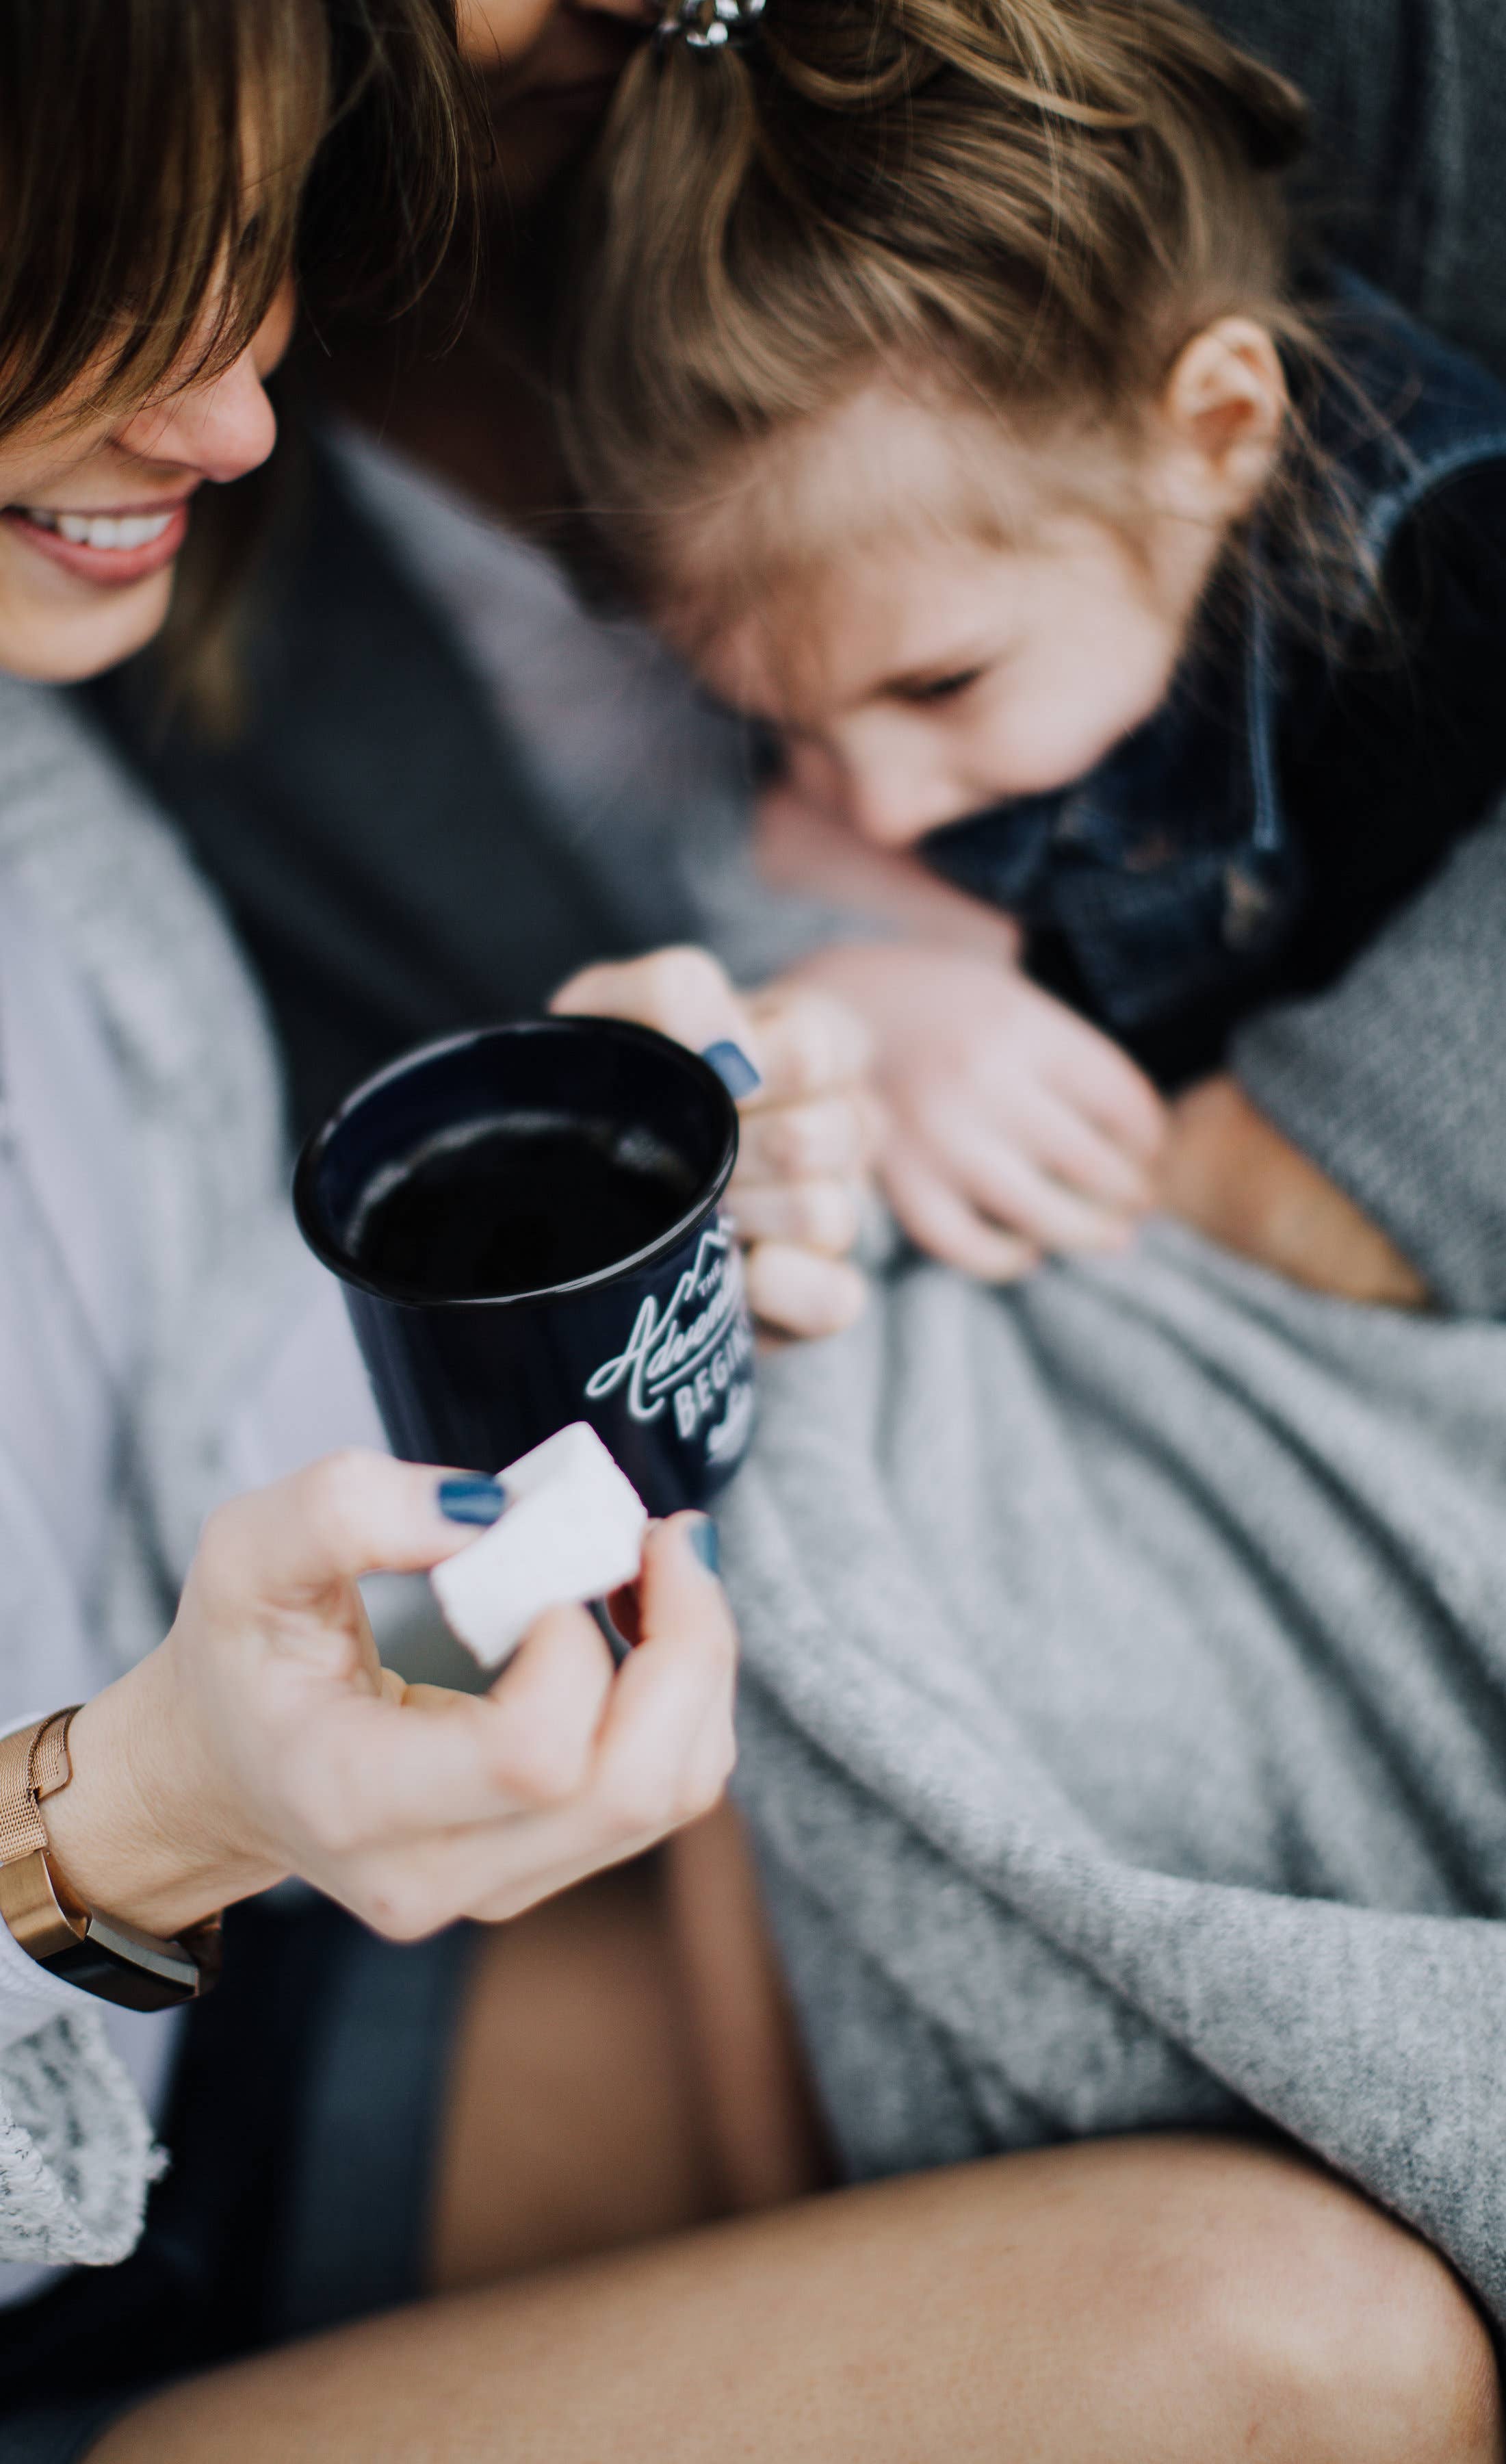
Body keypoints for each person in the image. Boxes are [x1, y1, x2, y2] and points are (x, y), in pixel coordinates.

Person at [5, 8, 1491, 2464]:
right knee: (1289, 2335)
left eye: (251, 240)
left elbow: (316, 1522)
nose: (239, 406)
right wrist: (127, 1811)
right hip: (130, 2118)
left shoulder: (72, 816)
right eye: (93, 253)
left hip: (278, 2026)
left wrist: (594, 1217)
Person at [556, 0, 1506, 1285]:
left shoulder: (1457, 576)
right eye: (779, 723)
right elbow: (753, 926)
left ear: (1216, 434)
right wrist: (861, 1008)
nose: (878, 809)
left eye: (938, 686)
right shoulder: (897, 711)